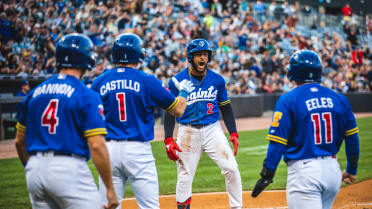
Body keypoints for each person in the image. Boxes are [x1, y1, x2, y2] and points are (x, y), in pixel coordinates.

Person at [14, 33, 119, 209]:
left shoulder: (34, 93)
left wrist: (30, 167)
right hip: (67, 169)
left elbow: (19, 141)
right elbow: (96, 145)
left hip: (34, 170)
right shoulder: (86, 95)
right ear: (86, 59)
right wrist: (109, 188)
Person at [91, 33, 194, 209]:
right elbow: (178, 110)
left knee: (107, 205)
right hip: (137, 150)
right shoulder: (147, 80)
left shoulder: (99, 81)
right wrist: (184, 92)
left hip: (108, 149)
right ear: (137, 54)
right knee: (149, 206)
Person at [251, 50, 360, 209]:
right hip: (333, 171)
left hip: (305, 173)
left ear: (294, 72)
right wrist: (351, 169)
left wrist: (268, 174)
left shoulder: (288, 100)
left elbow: (277, 142)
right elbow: (352, 138)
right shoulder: (339, 99)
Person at [163, 39, 242, 209]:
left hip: (213, 129)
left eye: (205, 54)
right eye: (198, 54)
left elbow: (226, 107)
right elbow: (170, 111)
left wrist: (233, 132)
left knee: (232, 168)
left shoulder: (217, 79)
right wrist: (168, 138)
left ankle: (236, 207)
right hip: (187, 130)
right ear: (190, 57)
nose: (202, 58)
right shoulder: (176, 81)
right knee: (184, 175)